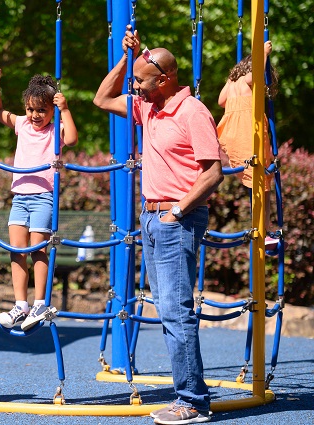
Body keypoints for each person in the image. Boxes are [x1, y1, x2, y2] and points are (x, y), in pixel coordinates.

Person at [93, 26, 223, 424]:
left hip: (175, 220)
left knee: (176, 310)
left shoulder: (192, 110)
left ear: (165, 80)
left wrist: (178, 211)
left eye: (142, 81)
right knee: (169, 310)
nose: (136, 87)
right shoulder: (149, 107)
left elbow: (214, 172)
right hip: (152, 219)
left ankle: (193, 401)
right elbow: (102, 98)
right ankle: (190, 396)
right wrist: (126, 58)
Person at [0, 64, 78, 331]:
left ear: (52, 110)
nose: (35, 115)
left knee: (38, 249)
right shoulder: (22, 125)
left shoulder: (55, 130)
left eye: (42, 110)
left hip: (42, 197)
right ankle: (20, 305)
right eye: (30, 109)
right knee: (17, 251)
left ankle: (40, 302)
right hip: (20, 197)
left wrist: (67, 109)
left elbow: (72, 140)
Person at [217, 40, 279, 248]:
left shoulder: (232, 83)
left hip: (230, 133)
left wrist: (230, 79)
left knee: (255, 180)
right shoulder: (247, 80)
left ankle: (263, 226)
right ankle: (265, 228)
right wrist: (263, 53)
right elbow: (256, 77)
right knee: (263, 180)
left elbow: (220, 101)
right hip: (247, 131)